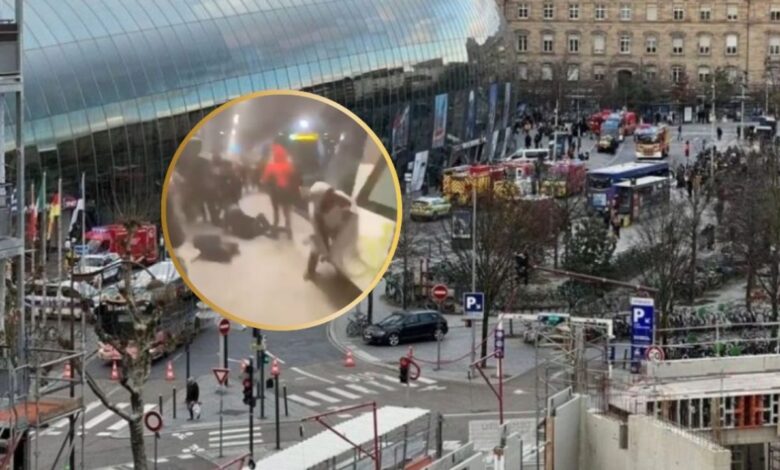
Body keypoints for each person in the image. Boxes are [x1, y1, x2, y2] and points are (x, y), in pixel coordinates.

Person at [304, 182, 353, 281]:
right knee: (317, 248)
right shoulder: (315, 214)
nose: (331, 198)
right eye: (328, 197)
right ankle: (310, 272)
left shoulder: (341, 197)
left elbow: (352, 209)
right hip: (324, 225)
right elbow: (320, 235)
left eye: (331, 194)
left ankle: (340, 273)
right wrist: (326, 252)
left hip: (337, 222)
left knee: (340, 247)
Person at [261, 143, 298, 239]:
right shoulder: (289, 165)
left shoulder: (271, 166)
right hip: (288, 192)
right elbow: (294, 176)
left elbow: (264, 179)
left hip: (276, 192)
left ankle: (275, 230)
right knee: (286, 211)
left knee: (276, 211)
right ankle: (288, 229)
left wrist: (264, 183)